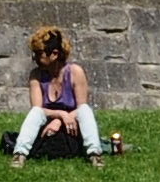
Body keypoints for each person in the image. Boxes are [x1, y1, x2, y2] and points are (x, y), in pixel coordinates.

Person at [8, 27, 102, 159]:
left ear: (54, 54)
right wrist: (60, 115)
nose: (35, 59)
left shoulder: (75, 72)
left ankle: (94, 153)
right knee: (36, 113)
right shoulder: (36, 75)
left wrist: (61, 121)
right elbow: (38, 109)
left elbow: (81, 108)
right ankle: (19, 154)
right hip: (47, 124)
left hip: (72, 125)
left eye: (39, 54)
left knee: (86, 110)